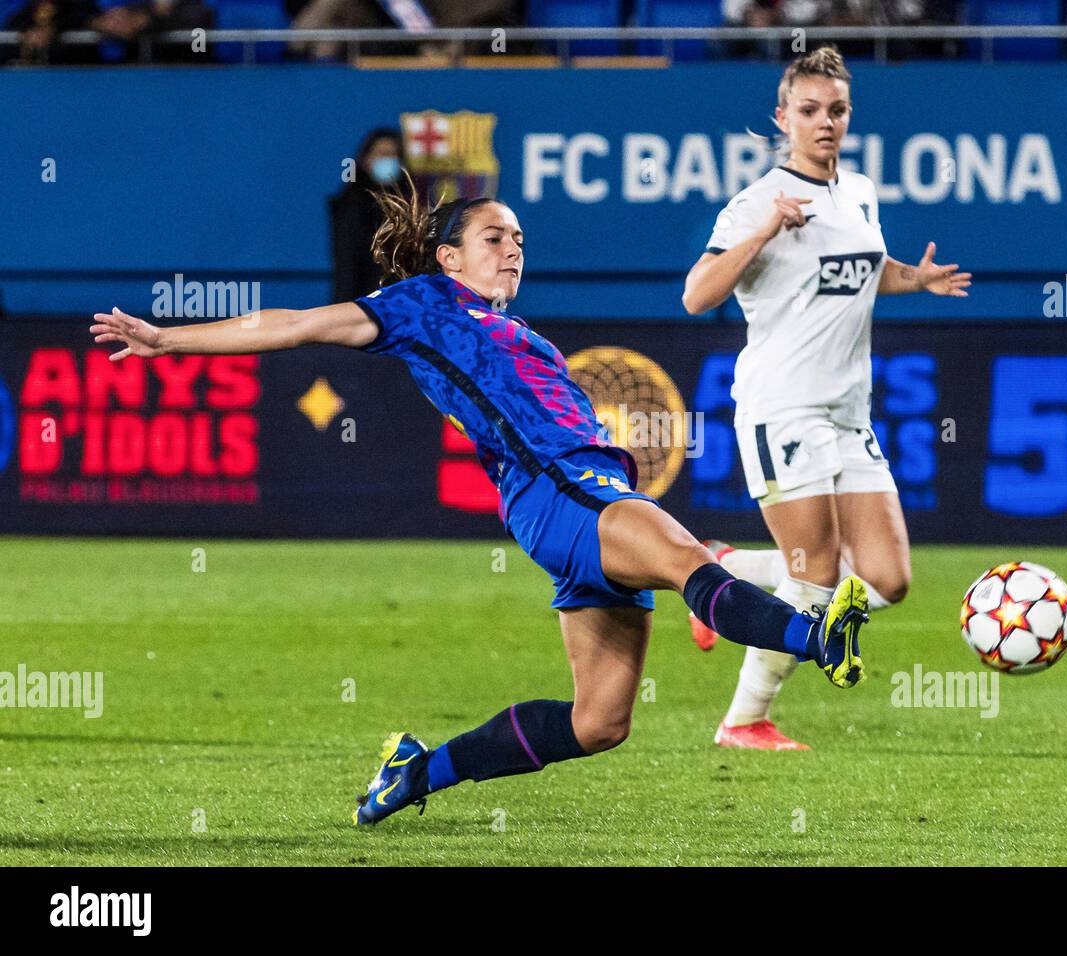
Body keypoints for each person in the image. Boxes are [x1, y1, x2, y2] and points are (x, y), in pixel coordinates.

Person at [88, 178, 872, 827]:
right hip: (561, 488)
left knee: (598, 723)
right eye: (495, 238)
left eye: (520, 241)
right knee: (687, 559)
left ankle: (419, 771)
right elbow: (294, 325)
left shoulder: (520, 332)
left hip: (576, 496)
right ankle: (813, 636)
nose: (512, 251)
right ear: (447, 255)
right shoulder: (422, 304)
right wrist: (171, 340)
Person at [681, 46, 970, 751]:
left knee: (887, 579)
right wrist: (765, 230)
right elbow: (697, 296)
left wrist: (914, 278)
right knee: (815, 582)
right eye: (809, 110)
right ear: (783, 118)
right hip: (782, 408)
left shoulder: (860, 191)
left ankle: (725, 567)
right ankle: (744, 721)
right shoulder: (757, 202)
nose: (824, 122)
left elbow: (863, 275)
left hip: (848, 414)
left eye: (836, 109)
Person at [330, 128, 403, 303]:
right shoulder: (352, 204)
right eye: (382, 154)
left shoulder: (408, 203)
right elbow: (347, 267)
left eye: (393, 155)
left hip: (400, 302)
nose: (388, 160)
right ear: (366, 160)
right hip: (362, 304)